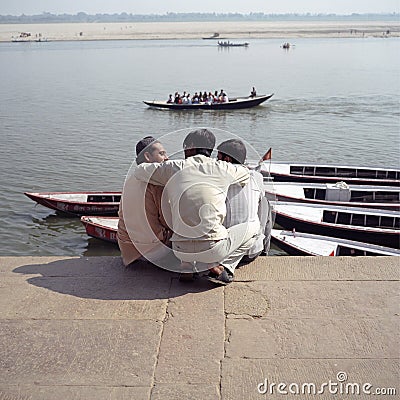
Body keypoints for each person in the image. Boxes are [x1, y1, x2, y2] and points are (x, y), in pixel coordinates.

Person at [133, 129, 259, 283]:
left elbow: (139, 171)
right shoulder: (222, 168)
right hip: (213, 249)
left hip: (179, 249)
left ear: (191, 146)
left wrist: (164, 174)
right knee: (254, 226)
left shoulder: (174, 167)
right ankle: (222, 266)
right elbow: (245, 173)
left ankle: (186, 266)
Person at [217, 139, 272, 273]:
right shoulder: (256, 176)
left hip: (222, 252)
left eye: (218, 158)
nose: (216, 162)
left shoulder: (217, 178)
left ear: (227, 159)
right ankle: (265, 249)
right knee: (265, 204)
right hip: (252, 251)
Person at [117, 136, 173, 267]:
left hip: (127, 248)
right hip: (151, 251)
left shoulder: (130, 178)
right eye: (162, 153)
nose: (167, 158)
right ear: (147, 156)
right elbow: (167, 220)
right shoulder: (156, 182)